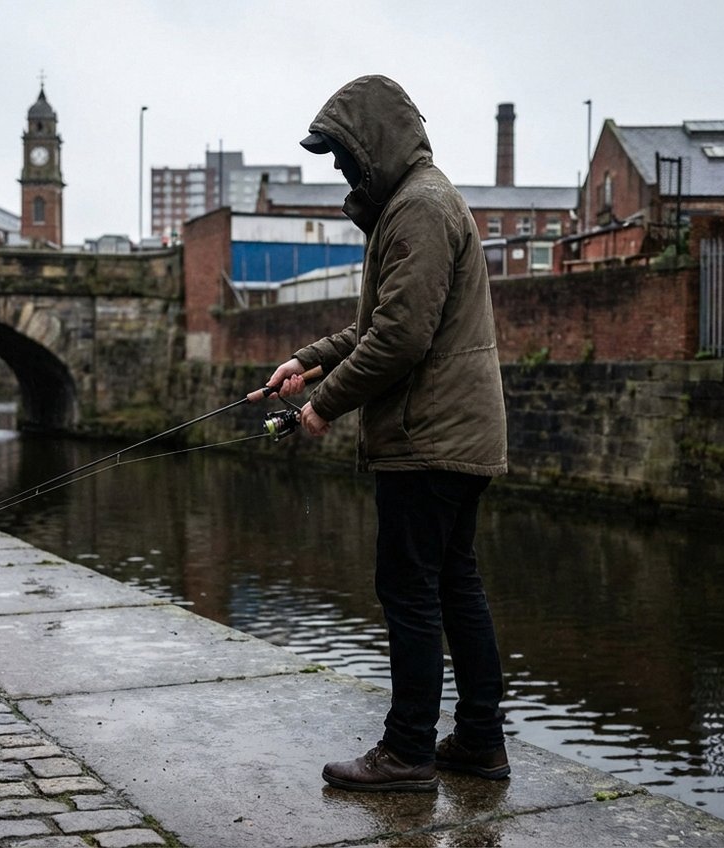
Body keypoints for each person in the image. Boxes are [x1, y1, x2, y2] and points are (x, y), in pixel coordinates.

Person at [265, 75, 510, 792]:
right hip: (454, 434)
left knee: (410, 589)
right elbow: (379, 325)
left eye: (345, 158)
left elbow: (400, 338)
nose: (342, 173)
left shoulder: (421, 210)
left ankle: (407, 752)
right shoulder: (416, 204)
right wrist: (307, 364)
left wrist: (325, 406)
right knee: (455, 584)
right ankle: (479, 741)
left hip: (429, 437)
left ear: (372, 145)